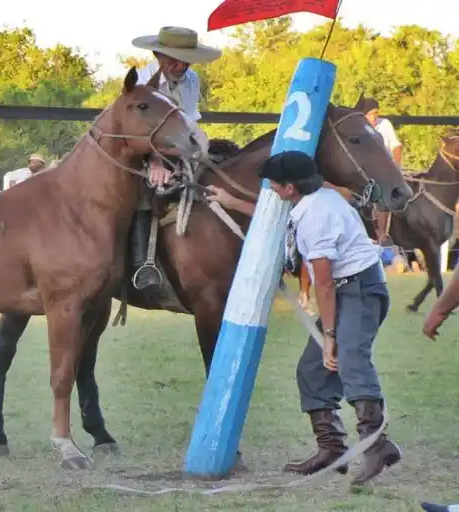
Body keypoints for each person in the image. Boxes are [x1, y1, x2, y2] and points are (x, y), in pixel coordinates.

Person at [254, 151, 401, 487]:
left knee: (350, 362)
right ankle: (332, 448)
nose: (273, 190)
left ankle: (377, 446)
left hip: (359, 290)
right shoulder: (314, 201)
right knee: (312, 370)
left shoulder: (317, 215)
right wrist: (227, 198)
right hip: (349, 289)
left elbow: (323, 282)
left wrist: (329, 336)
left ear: (290, 187)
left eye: (274, 185)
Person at [129, 26, 221, 290]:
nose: (181, 65)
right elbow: (139, 129)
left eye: (186, 59)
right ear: (158, 55)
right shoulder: (142, 82)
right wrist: (155, 162)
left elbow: (188, 120)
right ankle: (141, 265)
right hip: (141, 147)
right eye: (173, 59)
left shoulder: (192, 80)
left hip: (178, 147)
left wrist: (199, 149)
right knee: (145, 191)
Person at [359, 97, 403, 247]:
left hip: (385, 171)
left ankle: (382, 234)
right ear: (364, 115)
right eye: (372, 113)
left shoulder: (385, 125)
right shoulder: (358, 127)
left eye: (377, 113)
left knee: (385, 189)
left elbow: (396, 147)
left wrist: (396, 167)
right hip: (364, 171)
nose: (376, 117)